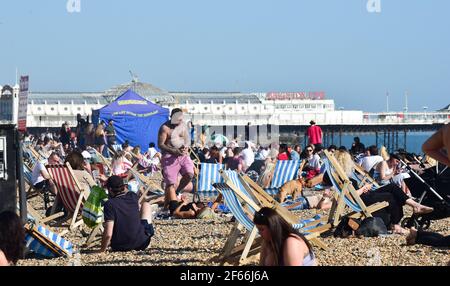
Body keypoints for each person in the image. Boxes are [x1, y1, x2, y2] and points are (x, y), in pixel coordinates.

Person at [335, 149, 433, 234]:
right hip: (362, 198)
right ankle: (395, 225)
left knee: (392, 187)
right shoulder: (342, 177)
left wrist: (365, 188)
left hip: (365, 194)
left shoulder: (343, 175)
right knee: (390, 196)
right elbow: (350, 196)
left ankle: (415, 206)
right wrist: (363, 188)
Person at [99, 176, 155, 252]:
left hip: (120, 246)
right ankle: (146, 233)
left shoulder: (109, 204)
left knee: (143, 206)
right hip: (142, 243)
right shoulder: (133, 196)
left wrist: (102, 250)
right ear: (123, 186)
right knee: (146, 205)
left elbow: (108, 234)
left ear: (110, 189)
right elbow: (126, 190)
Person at [158, 108, 194, 205]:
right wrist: (174, 150)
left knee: (190, 174)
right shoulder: (165, 128)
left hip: (183, 155)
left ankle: (177, 191)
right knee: (170, 183)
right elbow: (161, 144)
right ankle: (167, 205)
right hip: (169, 156)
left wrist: (186, 147)